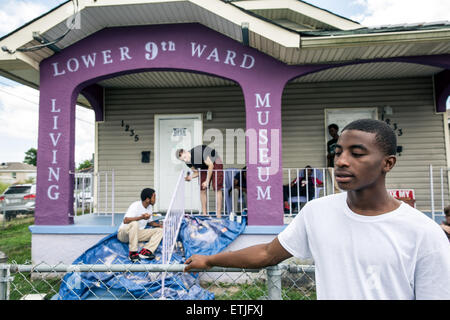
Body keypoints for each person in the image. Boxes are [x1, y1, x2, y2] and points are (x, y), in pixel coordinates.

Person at [184, 119, 450, 300]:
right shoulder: (317, 212)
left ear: (388, 163)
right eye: (338, 152)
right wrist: (209, 260)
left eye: (357, 153)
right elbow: (267, 253)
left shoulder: (424, 234)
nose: (342, 161)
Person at [117, 188, 163, 262]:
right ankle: (133, 253)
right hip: (124, 234)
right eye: (154, 197)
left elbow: (149, 222)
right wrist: (141, 217)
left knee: (160, 231)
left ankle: (146, 251)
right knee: (134, 224)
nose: (155, 199)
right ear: (148, 199)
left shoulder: (149, 207)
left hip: (136, 234)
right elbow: (126, 220)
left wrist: (159, 225)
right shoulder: (135, 205)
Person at [177, 145, 224, 218]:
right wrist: (190, 177)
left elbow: (211, 165)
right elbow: (196, 173)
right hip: (204, 166)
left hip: (215, 161)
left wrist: (207, 181)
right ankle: (204, 213)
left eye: (185, 157)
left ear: (186, 152)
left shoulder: (197, 153)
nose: (185, 160)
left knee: (217, 187)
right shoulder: (188, 162)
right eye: (183, 160)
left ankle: (218, 214)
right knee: (202, 189)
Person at [326, 123, 340, 194]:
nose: (331, 133)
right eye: (329, 131)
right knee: (335, 184)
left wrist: (333, 154)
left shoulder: (341, 140)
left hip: (340, 164)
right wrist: (328, 165)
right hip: (331, 164)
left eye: (332, 131)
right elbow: (328, 154)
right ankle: (337, 196)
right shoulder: (329, 142)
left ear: (336, 130)